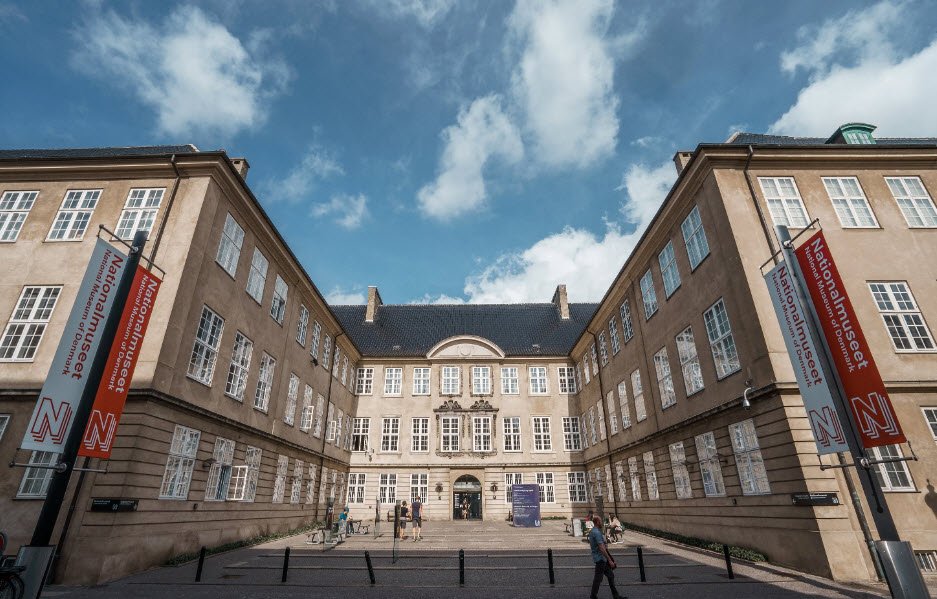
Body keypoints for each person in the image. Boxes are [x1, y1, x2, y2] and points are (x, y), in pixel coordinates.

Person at [588, 517, 624, 599]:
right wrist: (610, 560)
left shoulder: (594, 531)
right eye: (601, 521)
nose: (602, 523)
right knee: (598, 579)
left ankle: (616, 596)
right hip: (600, 559)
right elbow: (602, 548)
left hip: (602, 559)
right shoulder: (596, 532)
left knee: (610, 576)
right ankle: (593, 596)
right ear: (597, 522)